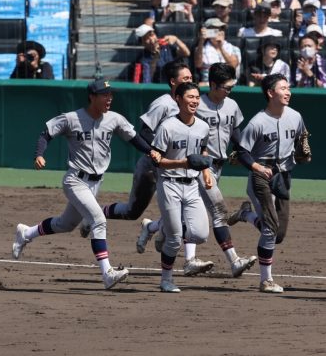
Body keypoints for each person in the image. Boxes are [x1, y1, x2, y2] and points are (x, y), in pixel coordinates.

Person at [11, 79, 153, 290]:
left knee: (65, 224)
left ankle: (26, 233)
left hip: (95, 183)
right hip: (75, 180)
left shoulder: (115, 119)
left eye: (110, 94)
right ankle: (107, 273)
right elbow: (46, 133)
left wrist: (151, 151)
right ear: (92, 97)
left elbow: (133, 138)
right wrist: (38, 154)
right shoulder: (72, 118)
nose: (109, 98)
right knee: (98, 219)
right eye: (104, 95)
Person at [137, 63, 258, 278]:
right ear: (212, 84)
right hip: (195, 169)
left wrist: (243, 153)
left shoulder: (231, 106)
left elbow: (236, 134)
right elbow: (168, 130)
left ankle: (154, 227)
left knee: (187, 216)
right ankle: (233, 261)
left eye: (231, 86)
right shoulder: (193, 104)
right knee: (218, 212)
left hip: (215, 167)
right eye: (225, 86)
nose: (229, 90)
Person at [228, 73, 310, 293]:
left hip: (283, 176)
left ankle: (246, 214)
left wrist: (303, 152)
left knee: (278, 234)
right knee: (271, 228)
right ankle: (266, 280)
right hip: (260, 176)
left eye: (288, 87)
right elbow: (242, 152)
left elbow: (302, 139)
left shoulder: (295, 116)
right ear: (270, 93)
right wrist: (255, 167)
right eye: (283, 88)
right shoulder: (257, 122)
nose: (288, 92)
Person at [103, 61, 192, 222]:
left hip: (176, 165)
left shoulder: (191, 103)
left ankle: (158, 234)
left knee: (183, 209)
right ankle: (95, 214)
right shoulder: (163, 104)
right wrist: (160, 150)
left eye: (191, 77)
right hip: (152, 166)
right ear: (173, 81)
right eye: (185, 78)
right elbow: (144, 131)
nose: (190, 81)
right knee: (132, 212)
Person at [149, 82, 213, 293]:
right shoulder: (167, 126)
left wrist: (205, 172)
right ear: (178, 99)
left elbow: (202, 151)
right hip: (169, 184)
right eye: (190, 97)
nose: (195, 101)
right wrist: (183, 163)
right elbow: (157, 161)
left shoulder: (203, 126)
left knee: (201, 234)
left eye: (197, 97)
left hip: (193, 185)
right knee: (175, 239)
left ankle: (158, 227)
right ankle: (166, 280)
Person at [194, 18, 241, 86]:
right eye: (215, 29)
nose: (219, 32)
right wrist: (201, 41)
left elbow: (233, 66)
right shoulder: (201, 48)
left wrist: (220, 46)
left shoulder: (234, 48)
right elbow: (198, 64)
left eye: (221, 29)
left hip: (229, 83)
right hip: (208, 84)